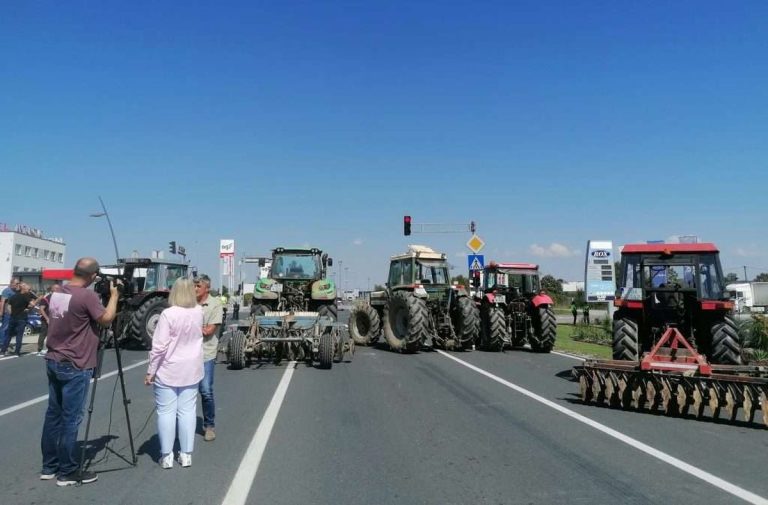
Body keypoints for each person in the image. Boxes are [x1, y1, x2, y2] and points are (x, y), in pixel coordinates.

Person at [41, 258, 119, 486]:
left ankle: (49, 466)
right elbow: (105, 320)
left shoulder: (59, 293)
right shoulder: (87, 296)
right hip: (76, 363)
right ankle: (67, 471)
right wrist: (114, 297)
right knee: (71, 419)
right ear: (92, 275)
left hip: (54, 359)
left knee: (53, 415)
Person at [144, 278, 203, 469]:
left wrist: (151, 371)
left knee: (166, 412)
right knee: (187, 411)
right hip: (192, 368)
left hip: (168, 369)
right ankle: (186, 454)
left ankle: (166, 455)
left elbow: (159, 346)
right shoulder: (198, 311)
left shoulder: (168, 314)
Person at [194, 274, 223, 442]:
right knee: (186, 393)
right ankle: (184, 426)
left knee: (205, 390)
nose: (194, 289)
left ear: (207, 288)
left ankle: (209, 425)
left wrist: (189, 327)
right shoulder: (189, 303)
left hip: (206, 353)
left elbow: (209, 331)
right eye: (194, 286)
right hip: (188, 355)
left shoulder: (215, 304)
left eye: (198, 286)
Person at [3, 283, 36, 356]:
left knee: (9, 334)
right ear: (23, 289)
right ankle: (17, 352)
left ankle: (3, 350)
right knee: (19, 335)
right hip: (21, 318)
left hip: (13, 317)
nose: (28, 290)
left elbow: (8, 306)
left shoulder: (13, 296)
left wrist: (11, 313)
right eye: (27, 288)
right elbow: (33, 304)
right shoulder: (25, 296)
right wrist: (28, 308)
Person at [36, 284, 62, 355]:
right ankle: (40, 349)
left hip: (56, 319)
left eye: (59, 288)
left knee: (54, 334)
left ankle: (53, 348)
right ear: (52, 289)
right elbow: (41, 309)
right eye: (56, 288)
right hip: (46, 319)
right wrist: (47, 318)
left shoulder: (60, 298)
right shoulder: (47, 298)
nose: (58, 290)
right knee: (43, 334)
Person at [0, 277, 20, 351]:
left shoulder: (17, 291)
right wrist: (1, 312)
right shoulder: (7, 291)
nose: (18, 285)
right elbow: (2, 302)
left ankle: (6, 343)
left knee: (12, 329)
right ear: (12, 283)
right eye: (16, 283)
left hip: (15, 313)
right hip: (7, 313)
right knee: (5, 328)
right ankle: (2, 343)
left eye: (18, 283)